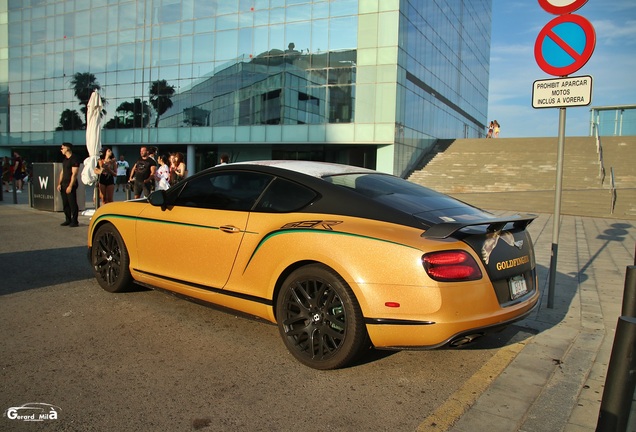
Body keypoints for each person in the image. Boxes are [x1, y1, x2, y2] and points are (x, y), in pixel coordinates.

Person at [57, 142, 80, 227]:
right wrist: (59, 183)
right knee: (65, 203)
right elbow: (62, 172)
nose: (61, 150)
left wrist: (70, 186)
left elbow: (74, 174)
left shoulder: (74, 159)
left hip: (71, 184)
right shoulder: (65, 160)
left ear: (67, 148)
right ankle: (67, 219)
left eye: (62, 148)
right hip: (64, 183)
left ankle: (75, 221)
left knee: (72, 203)